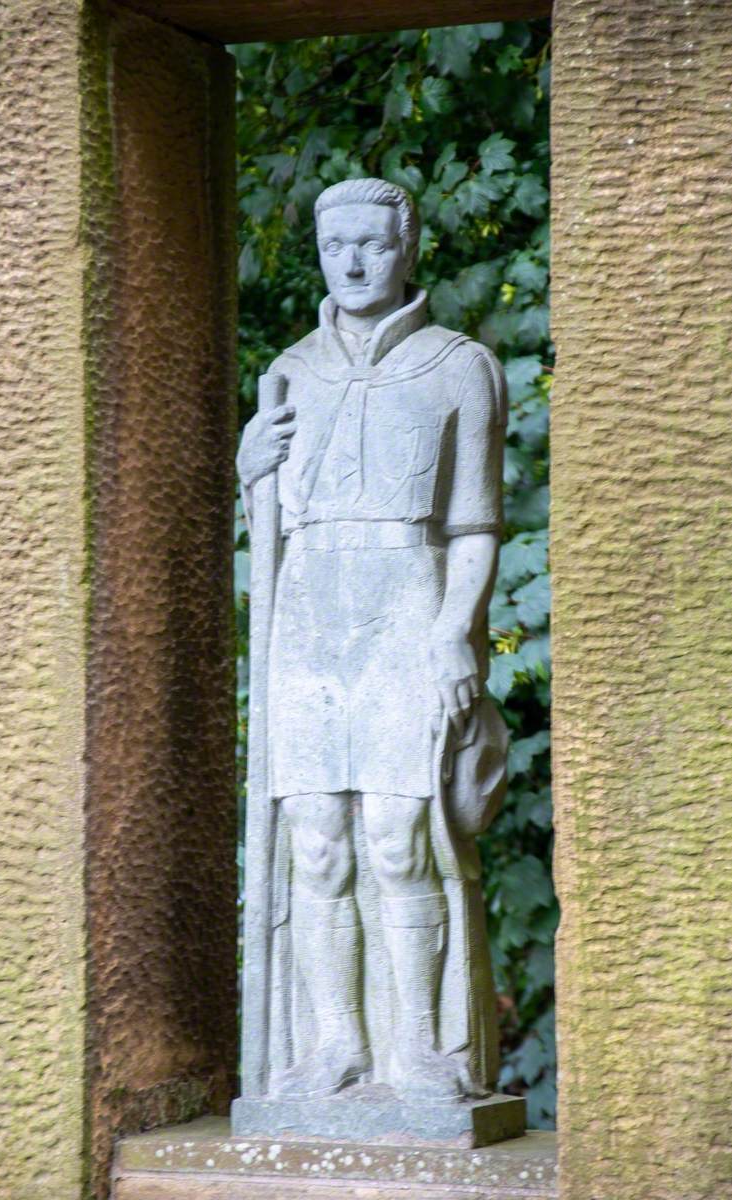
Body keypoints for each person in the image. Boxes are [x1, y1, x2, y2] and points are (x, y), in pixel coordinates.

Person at [238, 178, 508, 1105]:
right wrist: (251, 474)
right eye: (333, 245)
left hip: (406, 608)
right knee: (316, 842)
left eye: (371, 244)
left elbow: (474, 528)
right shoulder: (288, 371)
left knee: (398, 840)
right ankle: (333, 1045)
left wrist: (453, 636)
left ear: (408, 247)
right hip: (310, 617)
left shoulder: (455, 366)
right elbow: (269, 527)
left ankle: (418, 1049)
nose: (351, 263)